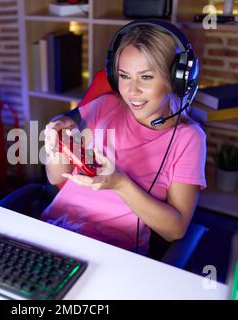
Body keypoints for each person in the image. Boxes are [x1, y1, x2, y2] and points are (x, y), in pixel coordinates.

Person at [42, 22, 207, 255]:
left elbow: (175, 230)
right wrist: (57, 139)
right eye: (124, 76)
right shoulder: (106, 105)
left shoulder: (188, 138)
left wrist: (120, 184)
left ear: (176, 79)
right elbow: (55, 176)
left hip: (111, 251)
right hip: (52, 232)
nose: (132, 90)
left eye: (146, 77)